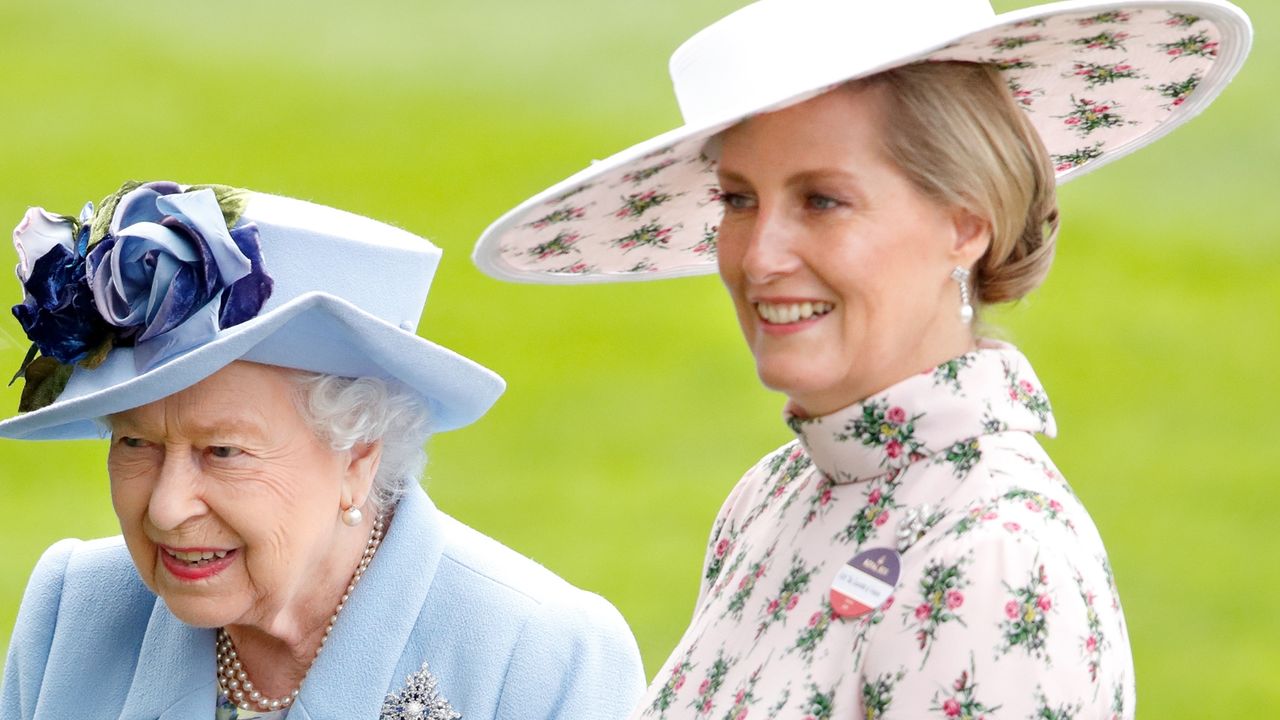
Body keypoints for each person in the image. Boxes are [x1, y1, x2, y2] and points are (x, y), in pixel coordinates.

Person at [471, 0, 1252, 717]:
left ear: (964, 223)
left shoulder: (993, 559)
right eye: (739, 199)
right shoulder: (774, 495)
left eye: (822, 201)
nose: (760, 257)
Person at [0, 180, 645, 719]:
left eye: (223, 451)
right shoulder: (72, 609)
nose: (166, 510)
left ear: (359, 457)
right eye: (135, 441)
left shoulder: (543, 657)